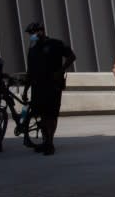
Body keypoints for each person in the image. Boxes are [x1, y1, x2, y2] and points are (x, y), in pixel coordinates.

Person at [25, 22, 76, 156]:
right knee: (42, 115)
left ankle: (50, 143)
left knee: (51, 115)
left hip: (53, 85)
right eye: (30, 34)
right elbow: (30, 71)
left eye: (33, 33)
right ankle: (45, 141)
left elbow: (71, 56)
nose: (32, 36)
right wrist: (25, 90)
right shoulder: (33, 48)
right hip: (38, 86)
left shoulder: (56, 44)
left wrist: (61, 70)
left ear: (41, 31)